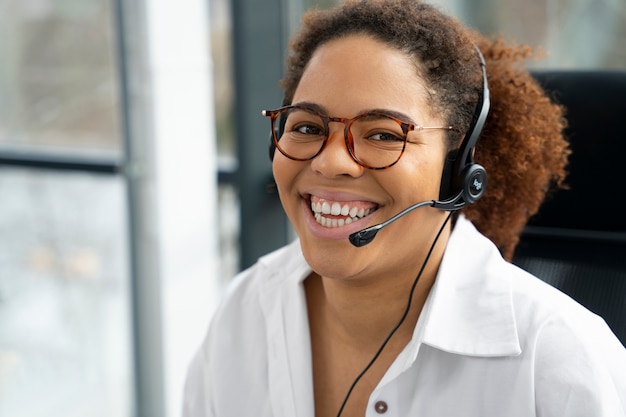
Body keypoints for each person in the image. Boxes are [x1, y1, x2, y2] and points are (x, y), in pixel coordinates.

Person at [183, 0, 626, 416]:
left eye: (383, 135)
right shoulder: (245, 312)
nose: (330, 161)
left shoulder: (557, 360)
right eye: (307, 126)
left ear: (457, 169)